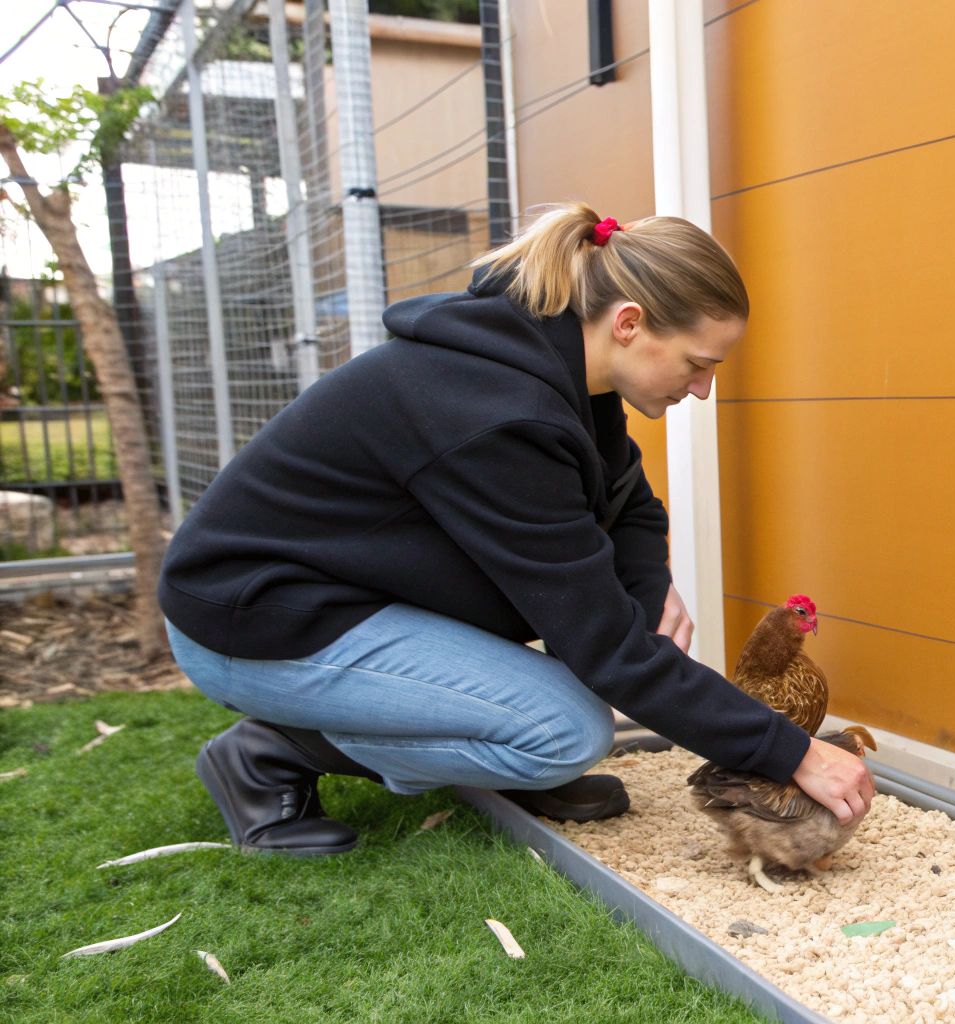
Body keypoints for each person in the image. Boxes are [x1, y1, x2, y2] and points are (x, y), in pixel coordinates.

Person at [159, 204, 874, 856]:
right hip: (253, 621)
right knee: (565, 733)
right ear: (629, 324)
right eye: (697, 363)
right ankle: (273, 750)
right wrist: (794, 753)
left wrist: (650, 589)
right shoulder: (497, 413)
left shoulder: (564, 375)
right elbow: (608, 652)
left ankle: (484, 751)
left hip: (346, 592)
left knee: (562, 702)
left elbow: (629, 504)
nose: (701, 389)